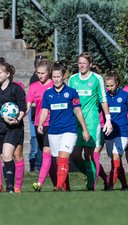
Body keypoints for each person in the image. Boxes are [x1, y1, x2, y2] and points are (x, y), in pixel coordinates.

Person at [38, 62, 90, 191]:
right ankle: (66, 188)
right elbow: (44, 110)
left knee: (63, 158)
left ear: (64, 76)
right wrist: (40, 123)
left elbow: (78, 111)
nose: (56, 79)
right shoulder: (48, 93)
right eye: (54, 77)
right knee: (58, 161)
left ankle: (59, 185)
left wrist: (84, 129)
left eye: (58, 76)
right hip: (53, 131)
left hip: (69, 130)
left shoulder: (72, 92)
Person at [68, 52, 113, 191]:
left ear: (90, 65)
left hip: (92, 122)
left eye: (84, 63)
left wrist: (108, 119)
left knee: (89, 155)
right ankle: (100, 177)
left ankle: (90, 186)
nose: (81, 65)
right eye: (79, 63)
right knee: (75, 156)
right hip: (75, 123)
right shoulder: (72, 79)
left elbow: (103, 99)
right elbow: (69, 100)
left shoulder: (96, 79)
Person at [27, 59, 57, 191]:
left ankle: (39, 183)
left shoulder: (55, 85)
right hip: (38, 124)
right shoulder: (33, 87)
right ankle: (59, 184)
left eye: (43, 73)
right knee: (48, 157)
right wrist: (18, 117)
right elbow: (27, 106)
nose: (40, 75)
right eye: (38, 73)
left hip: (53, 123)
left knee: (46, 152)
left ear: (49, 72)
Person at [0, 60, 26, 193]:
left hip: (14, 128)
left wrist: (17, 119)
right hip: (1, 127)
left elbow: (22, 107)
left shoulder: (16, 88)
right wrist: (3, 117)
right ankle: (4, 186)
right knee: (3, 157)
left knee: (7, 155)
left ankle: (11, 187)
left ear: (8, 74)